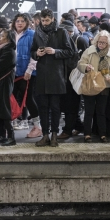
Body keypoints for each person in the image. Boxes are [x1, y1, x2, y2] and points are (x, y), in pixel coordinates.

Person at [30, 9, 76, 147]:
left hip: (56, 74)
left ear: (52, 19)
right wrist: (37, 53)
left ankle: (54, 134)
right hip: (42, 74)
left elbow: (70, 51)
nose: (44, 23)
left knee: (55, 107)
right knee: (43, 107)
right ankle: (45, 135)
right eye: (42, 21)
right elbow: (32, 51)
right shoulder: (37, 32)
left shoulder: (61, 31)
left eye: (47, 21)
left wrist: (55, 51)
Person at [77, 31, 110, 142]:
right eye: (99, 42)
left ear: (108, 44)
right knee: (89, 111)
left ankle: (102, 134)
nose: (101, 44)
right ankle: (87, 134)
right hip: (90, 85)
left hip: (104, 86)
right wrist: (86, 67)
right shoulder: (89, 51)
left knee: (101, 112)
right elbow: (80, 64)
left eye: (104, 43)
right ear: (96, 41)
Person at [10, 13, 40, 136]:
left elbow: (35, 55)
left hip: (27, 73)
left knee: (28, 99)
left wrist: (29, 70)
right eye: (17, 21)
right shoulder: (11, 35)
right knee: (13, 99)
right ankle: (13, 122)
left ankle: (38, 126)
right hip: (13, 73)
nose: (20, 23)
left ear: (27, 22)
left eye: (22, 21)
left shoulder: (32, 35)